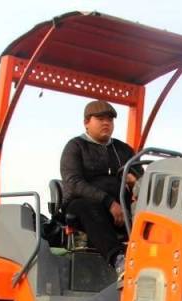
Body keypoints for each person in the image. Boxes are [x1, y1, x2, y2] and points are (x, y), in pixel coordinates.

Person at [60, 100, 139, 273]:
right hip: (85, 206)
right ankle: (119, 259)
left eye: (110, 119)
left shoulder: (124, 150)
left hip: (122, 206)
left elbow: (141, 178)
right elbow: (73, 183)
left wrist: (136, 182)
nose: (106, 123)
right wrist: (109, 202)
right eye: (100, 119)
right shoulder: (75, 147)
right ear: (86, 122)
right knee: (86, 207)